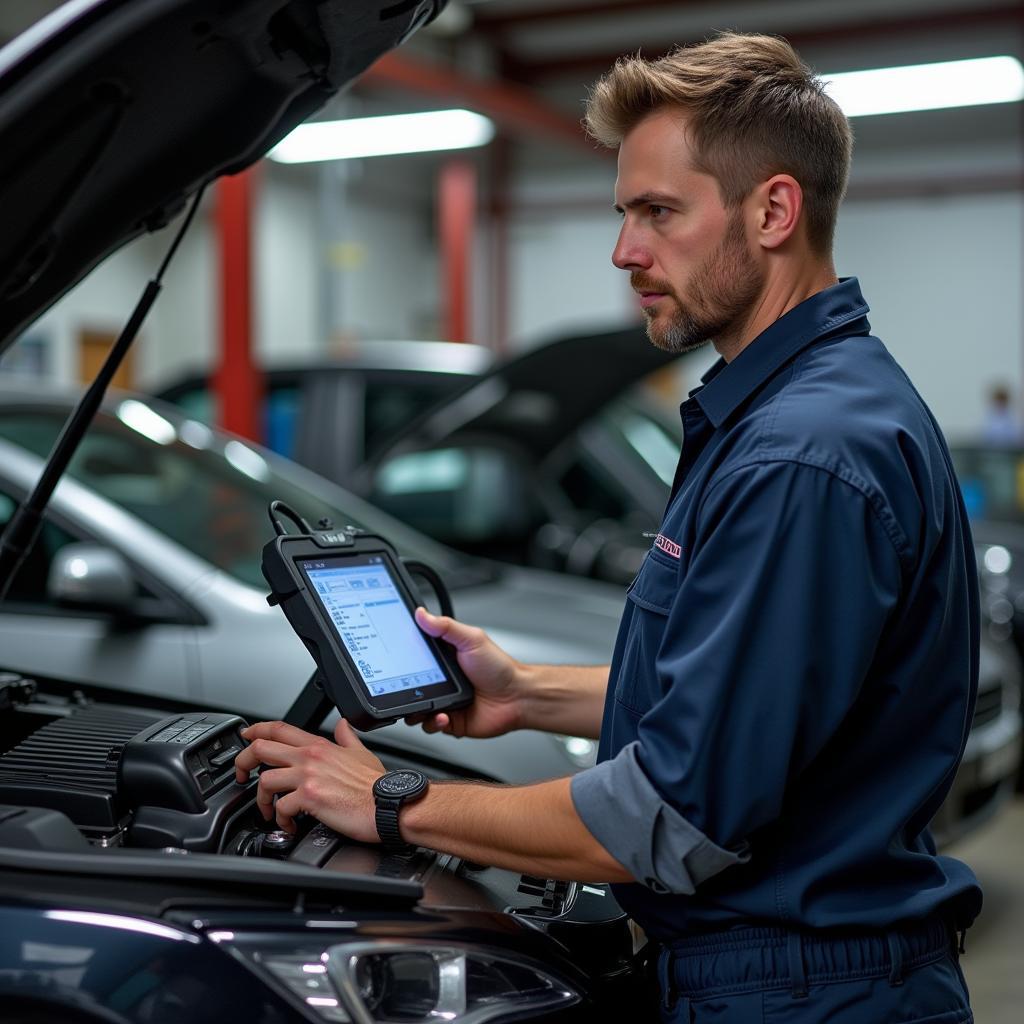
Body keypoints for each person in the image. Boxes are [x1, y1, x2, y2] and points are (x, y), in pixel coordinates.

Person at [235, 32, 981, 1022]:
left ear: (772, 210)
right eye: (624, 213)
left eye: (658, 212)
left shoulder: (800, 456)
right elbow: (749, 694)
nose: (626, 250)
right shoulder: (806, 407)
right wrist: (529, 692)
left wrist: (384, 800)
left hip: (799, 991)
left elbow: (669, 816)